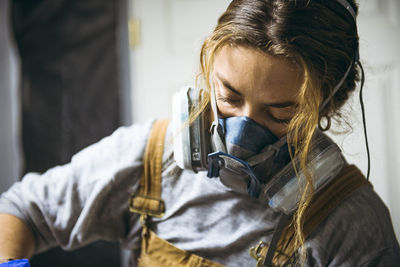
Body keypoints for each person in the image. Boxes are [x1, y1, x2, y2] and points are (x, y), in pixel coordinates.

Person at [1, 0, 399, 266]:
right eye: (228, 95)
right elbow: (22, 211)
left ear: (326, 106)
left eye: (282, 112)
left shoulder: (353, 224)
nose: (243, 129)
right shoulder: (152, 157)